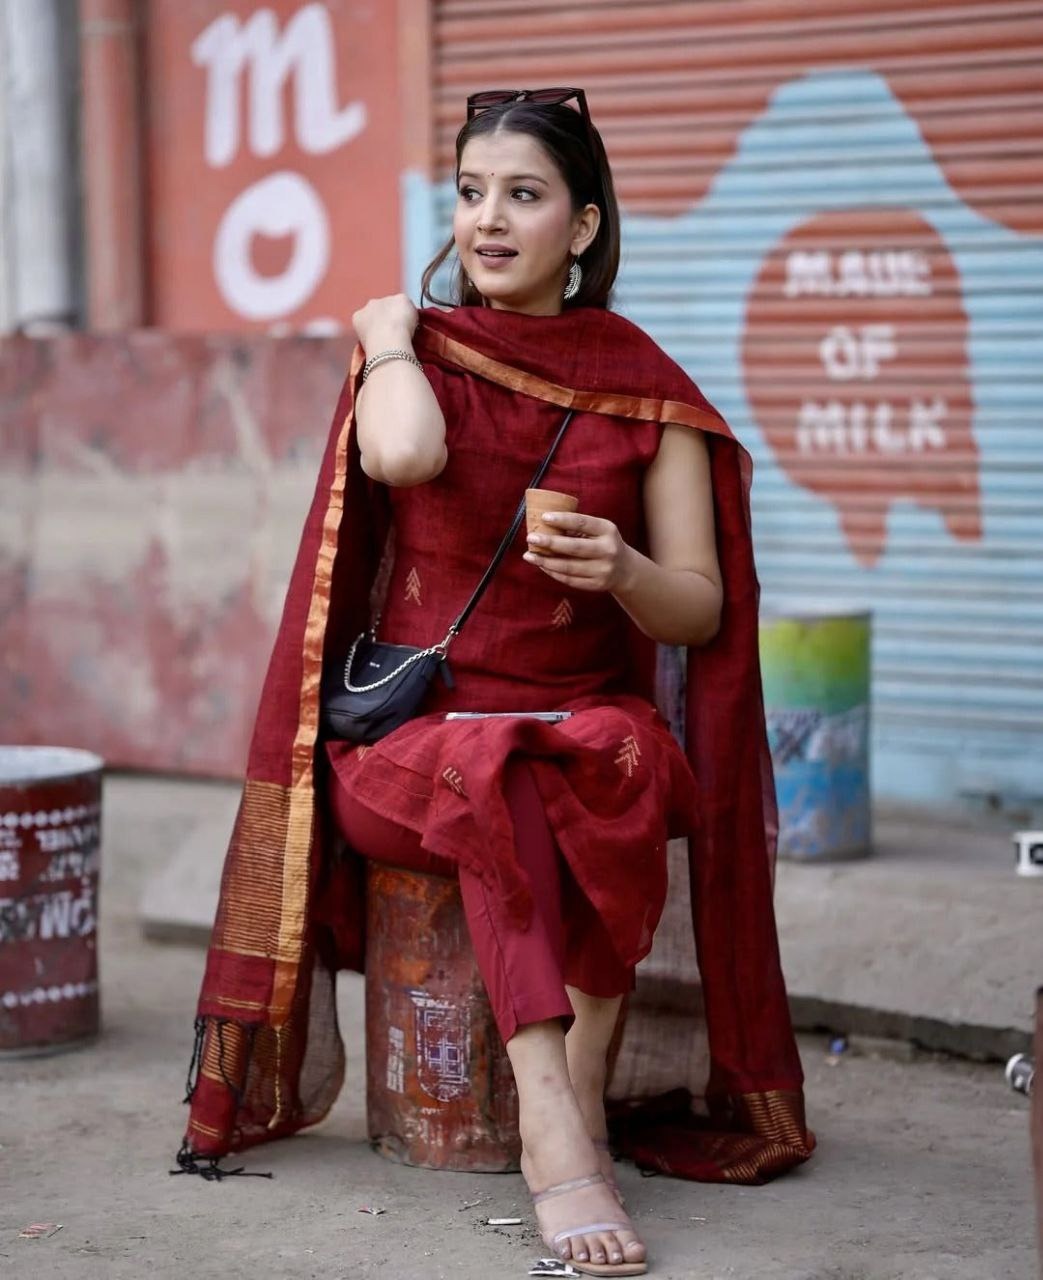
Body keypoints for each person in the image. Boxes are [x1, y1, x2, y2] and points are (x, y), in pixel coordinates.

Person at [176, 88, 814, 1277]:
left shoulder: (643, 388)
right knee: (499, 766)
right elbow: (406, 454)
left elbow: (701, 605)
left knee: (629, 764)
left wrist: (622, 568)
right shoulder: (418, 352)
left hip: (570, 722)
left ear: (581, 225)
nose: (488, 220)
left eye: (523, 195)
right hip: (408, 739)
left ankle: (563, 1093)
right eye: (470, 194)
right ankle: (556, 1130)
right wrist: (382, 340)